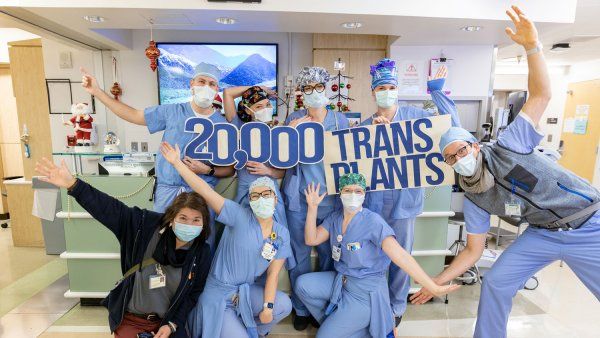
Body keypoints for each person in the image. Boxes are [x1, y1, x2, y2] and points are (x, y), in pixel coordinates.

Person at [410, 6, 600, 338]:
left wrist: (532, 47)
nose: (459, 159)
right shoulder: (475, 197)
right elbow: (473, 250)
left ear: (475, 145)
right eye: (451, 158)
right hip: (541, 234)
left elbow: (541, 95)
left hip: (588, 224)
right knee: (497, 282)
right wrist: (435, 281)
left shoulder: (510, 144)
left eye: (462, 150)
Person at [34, 158, 212, 338]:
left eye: (196, 220)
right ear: (172, 218)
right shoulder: (145, 226)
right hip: (132, 320)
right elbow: (110, 209)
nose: (189, 224)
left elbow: (192, 295)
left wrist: (171, 325)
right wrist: (73, 185)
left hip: (166, 323)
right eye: (183, 218)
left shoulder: (201, 252)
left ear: (204, 224)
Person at [80, 66, 235, 251]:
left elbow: (231, 169)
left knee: (201, 247)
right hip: (167, 193)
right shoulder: (173, 112)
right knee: (160, 244)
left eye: (212, 84)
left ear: (217, 89)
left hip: (202, 195)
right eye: (201, 81)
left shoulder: (223, 125)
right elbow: (133, 115)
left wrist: (207, 170)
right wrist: (97, 92)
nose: (206, 87)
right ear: (191, 84)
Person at [294, 173, 460, 337]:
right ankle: (346, 324)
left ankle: (359, 326)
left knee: (323, 336)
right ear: (340, 194)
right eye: (347, 191)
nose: (352, 195)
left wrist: (434, 287)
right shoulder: (334, 218)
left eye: (358, 191)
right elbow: (311, 239)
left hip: (365, 294)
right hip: (342, 281)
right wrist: (312, 208)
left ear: (364, 195)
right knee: (302, 285)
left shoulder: (372, 222)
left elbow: (401, 256)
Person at [361, 57, 462, 324]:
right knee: (371, 258)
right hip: (373, 204)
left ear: (397, 89)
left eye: (389, 87)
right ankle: (372, 304)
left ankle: (395, 309)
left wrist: (437, 91)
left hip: (404, 204)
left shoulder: (416, 118)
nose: (385, 93)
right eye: (380, 88)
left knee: (400, 259)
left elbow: (452, 127)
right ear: (373, 92)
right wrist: (372, 135)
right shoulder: (364, 126)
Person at [159, 142, 293, 338]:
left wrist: (267, 307)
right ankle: (230, 325)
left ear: (275, 198)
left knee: (283, 305)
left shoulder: (281, 233)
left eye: (266, 194)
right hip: (218, 295)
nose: (261, 199)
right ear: (249, 200)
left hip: (243, 293)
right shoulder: (237, 215)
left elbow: (273, 274)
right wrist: (177, 163)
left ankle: (246, 327)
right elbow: (205, 191)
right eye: (255, 196)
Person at [282, 66, 350, 330]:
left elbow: (348, 158)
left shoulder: (339, 121)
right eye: (307, 88)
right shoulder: (294, 119)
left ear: (327, 89)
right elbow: (282, 157)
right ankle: (301, 308)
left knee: (329, 254)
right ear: (302, 93)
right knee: (298, 253)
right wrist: (293, 131)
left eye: (318, 87)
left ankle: (321, 306)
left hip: (330, 199)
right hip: (299, 198)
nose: (313, 93)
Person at [222, 86, 288, 228]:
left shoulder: (276, 133)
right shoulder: (239, 127)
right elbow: (227, 93)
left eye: (268, 105)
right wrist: (261, 87)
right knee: (243, 235)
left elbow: (282, 171)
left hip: (270, 194)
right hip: (245, 193)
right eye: (259, 106)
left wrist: (268, 171)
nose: (266, 109)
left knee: (274, 238)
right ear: (247, 109)